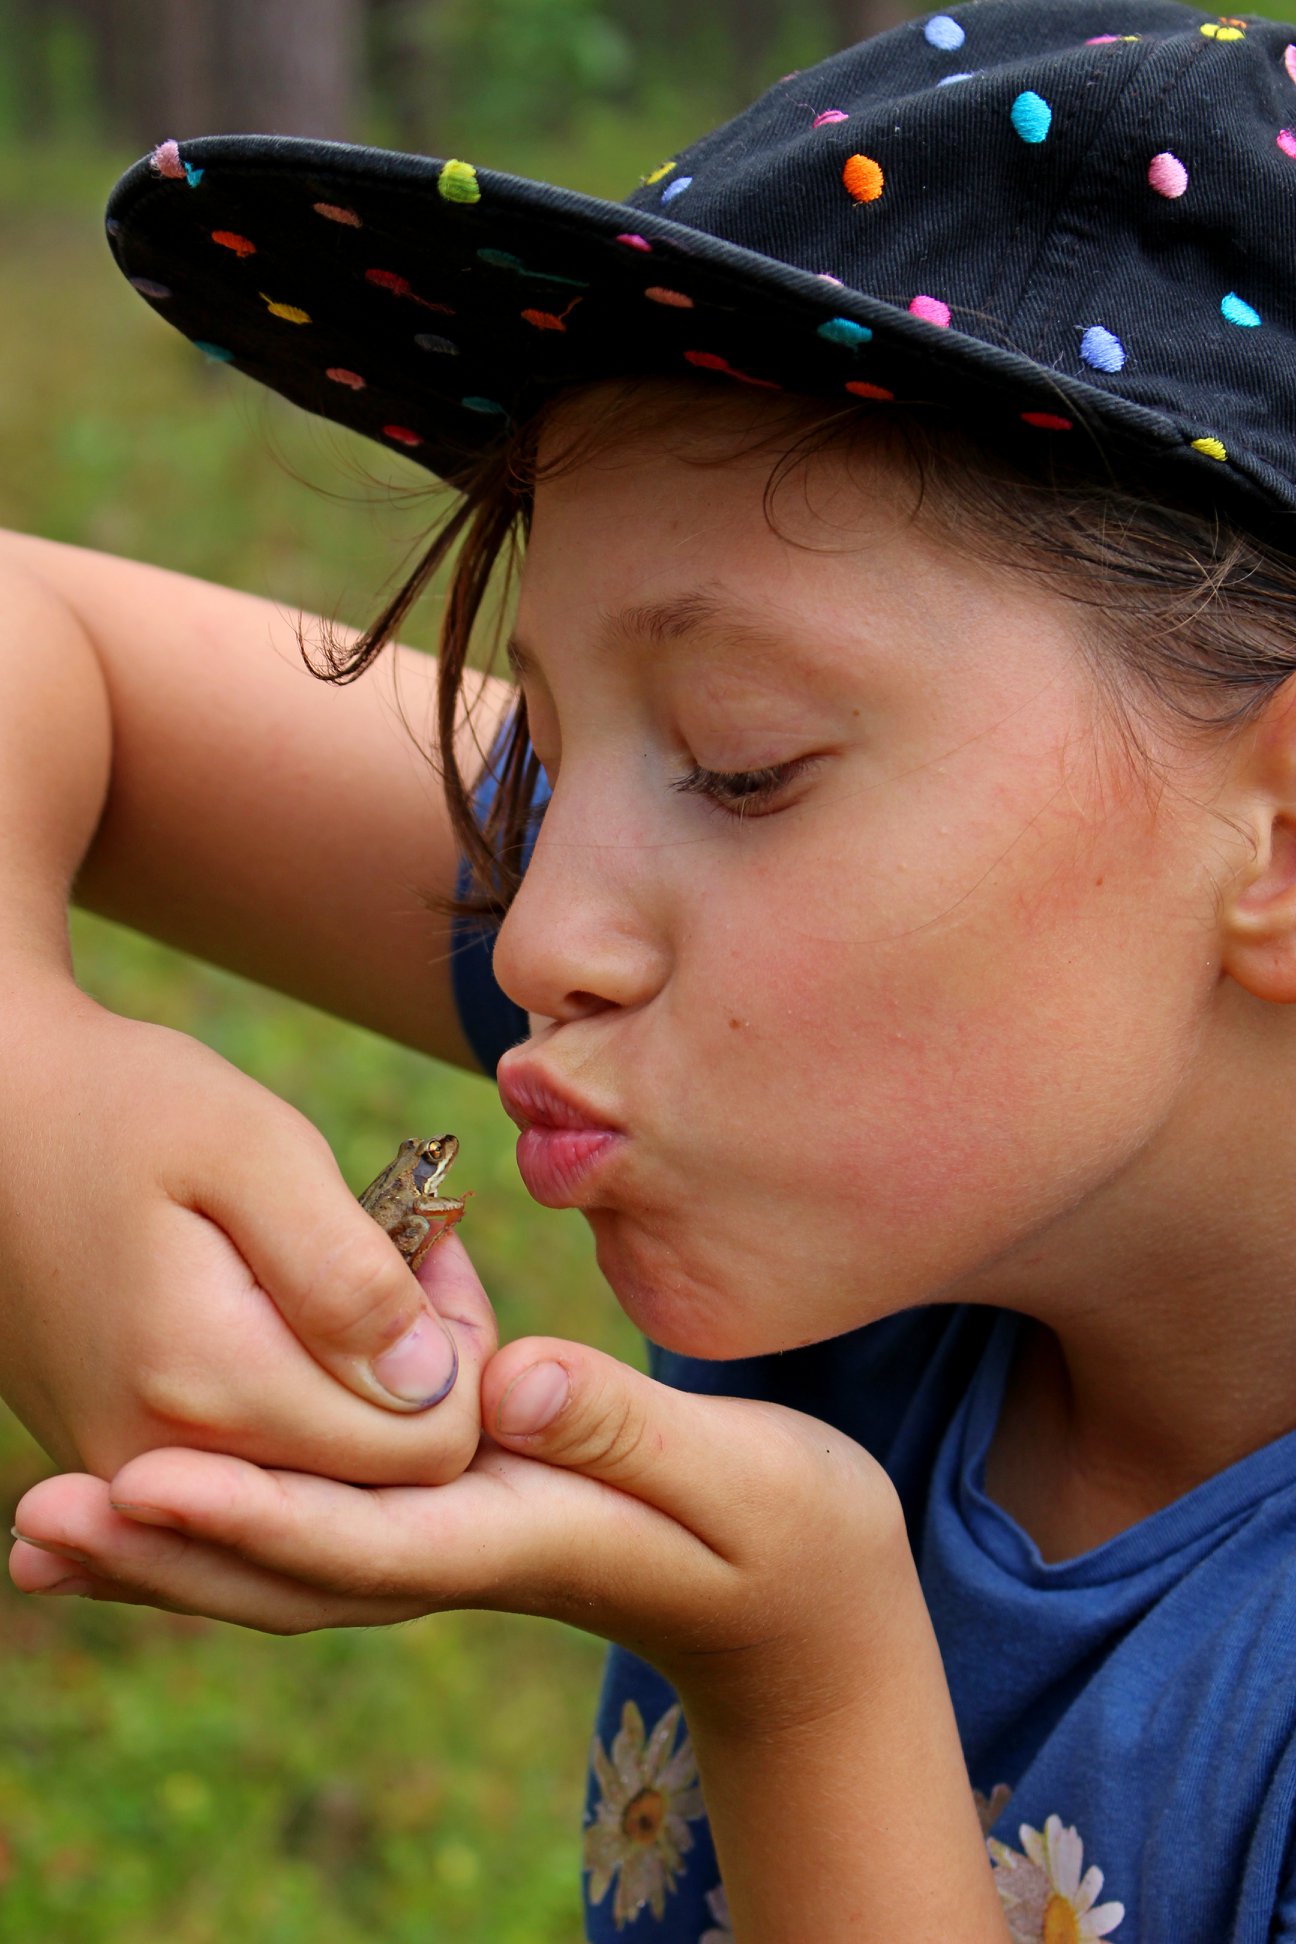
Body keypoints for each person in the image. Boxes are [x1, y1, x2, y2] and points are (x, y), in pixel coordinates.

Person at [7, 0, 1296, 1934]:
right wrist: (25, 1079)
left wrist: (805, 1665)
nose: (533, 933)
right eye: (543, 744)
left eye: (740, 761)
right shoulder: (870, 1095)